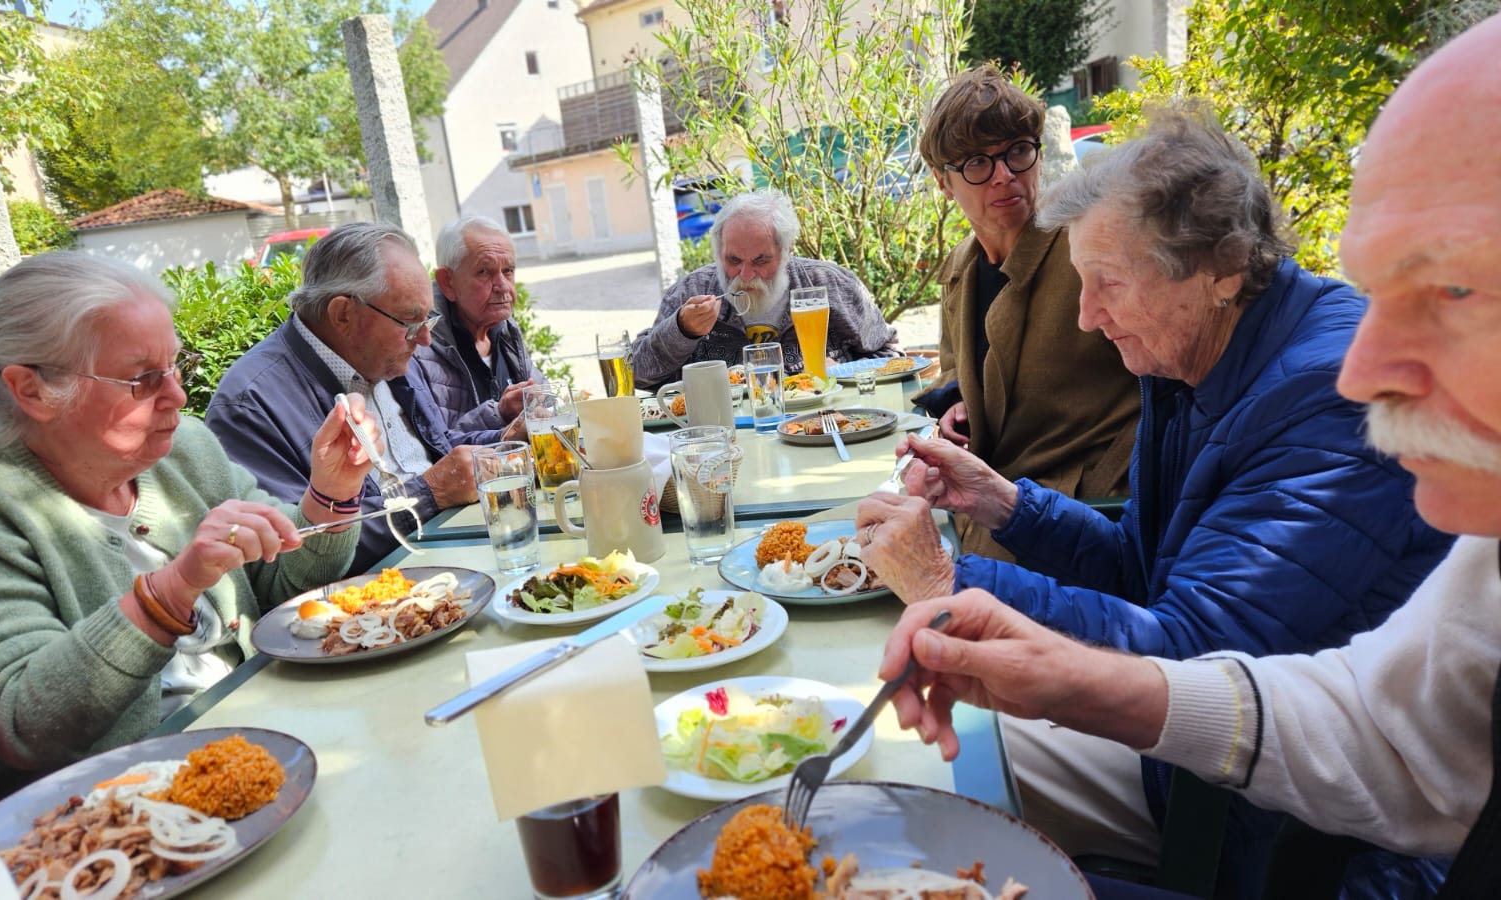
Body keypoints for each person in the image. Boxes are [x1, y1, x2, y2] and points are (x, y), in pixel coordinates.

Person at [874, 15, 1501, 895]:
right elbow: (1149, 568)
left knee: (915, 796)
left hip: (1263, 830)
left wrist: (954, 588)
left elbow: (1192, 648)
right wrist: (1007, 504)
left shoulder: (1317, 398)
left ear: (1222, 267)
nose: (1086, 315)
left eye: (1452, 289)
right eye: (1376, 286)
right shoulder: (1196, 361)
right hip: (1225, 768)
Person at [0, 253, 368, 816]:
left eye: (177, 367)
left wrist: (331, 494)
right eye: (143, 378)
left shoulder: (181, 451)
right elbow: (24, 722)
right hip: (89, 829)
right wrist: (170, 591)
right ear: (31, 389)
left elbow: (285, 580)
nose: (176, 396)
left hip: (256, 748)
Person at [914, 65, 1139, 562]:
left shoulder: (1087, 251)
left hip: (1087, 514)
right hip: (984, 505)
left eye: (1018, 150)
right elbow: (956, 360)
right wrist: (959, 399)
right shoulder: (961, 268)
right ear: (943, 181)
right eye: (977, 162)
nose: (1005, 175)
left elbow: (1171, 375)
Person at [207, 222, 513, 576]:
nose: (425, 339)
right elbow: (294, 556)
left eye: (427, 318)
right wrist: (430, 493)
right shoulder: (251, 404)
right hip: (373, 594)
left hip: (457, 546)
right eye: (411, 322)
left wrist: (509, 441)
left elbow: (439, 451)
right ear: (343, 314)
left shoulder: (386, 353)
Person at [629, 189, 899, 389]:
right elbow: (637, 374)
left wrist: (846, 372)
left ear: (786, 250)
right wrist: (681, 330)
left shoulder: (828, 284)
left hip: (822, 426)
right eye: (733, 260)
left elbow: (892, 358)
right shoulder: (692, 290)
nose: (745, 275)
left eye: (761, 260)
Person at [423, 216, 544, 432]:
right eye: (484, 272)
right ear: (447, 282)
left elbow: (544, 395)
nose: (503, 287)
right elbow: (435, 445)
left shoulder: (506, 330)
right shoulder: (422, 346)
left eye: (508, 271)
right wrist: (499, 413)